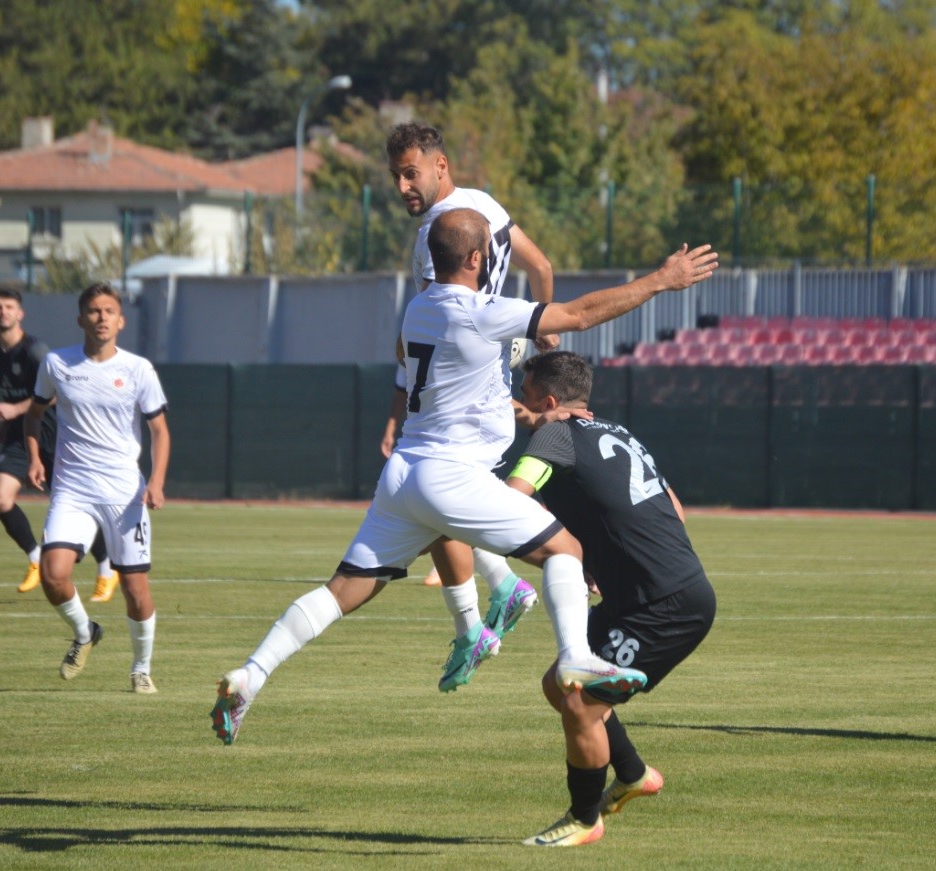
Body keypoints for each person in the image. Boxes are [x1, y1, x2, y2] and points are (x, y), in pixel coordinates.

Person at [211, 207, 718, 746]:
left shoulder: (417, 310)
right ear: (478, 258)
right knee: (565, 551)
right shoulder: (482, 312)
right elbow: (578, 315)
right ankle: (578, 658)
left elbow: (455, 376)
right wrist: (663, 280)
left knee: (343, 590)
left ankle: (252, 674)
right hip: (451, 473)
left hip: (404, 474)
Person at [505, 351, 716, 847]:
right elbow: (675, 510)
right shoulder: (617, 432)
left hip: (664, 606)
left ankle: (583, 819)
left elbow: (513, 499)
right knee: (559, 684)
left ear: (551, 401)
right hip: (652, 592)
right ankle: (633, 774)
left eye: (528, 394)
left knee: (580, 705)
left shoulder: (553, 435)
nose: (523, 403)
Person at [379, 120, 555, 681]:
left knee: (430, 491)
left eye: (412, 173)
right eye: (396, 177)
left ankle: (488, 610)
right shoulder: (486, 206)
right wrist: (535, 335)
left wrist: (398, 402)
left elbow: (423, 332)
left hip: (457, 385)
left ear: (440, 165)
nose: (404, 186)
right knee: (441, 496)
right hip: (489, 373)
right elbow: (542, 267)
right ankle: (500, 590)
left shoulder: (441, 235)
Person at [25, 282, 171, 694]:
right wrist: (35, 457)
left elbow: (159, 430)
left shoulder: (138, 369)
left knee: (134, 588)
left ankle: (141, 668)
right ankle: (85, 631)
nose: (101, 317)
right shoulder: (56, 363)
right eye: (93, 310)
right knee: (53, 576)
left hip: (124, 494)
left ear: (121, 321)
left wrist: (157, 481)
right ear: (80, 319)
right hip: (72, 489)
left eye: (109, 311)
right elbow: (33, 415)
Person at [0, 286, 115, 600]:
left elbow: (55, 392)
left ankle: (107, 569)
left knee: (74, 505)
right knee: (0, 497)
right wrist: (9, 423)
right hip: (21, 434)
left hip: (53, 432)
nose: (3, 312)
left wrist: (15, 410)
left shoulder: (35, 351)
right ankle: (33, 557)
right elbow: (13, 394)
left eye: (9, 307)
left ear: (20, 313)